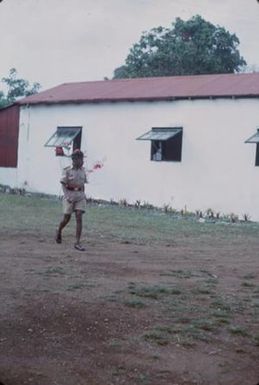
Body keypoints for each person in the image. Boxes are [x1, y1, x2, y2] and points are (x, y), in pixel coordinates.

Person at [55, 149, 88, 251]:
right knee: (66, 218)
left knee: (79, 216)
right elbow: (63, 185)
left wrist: (83, 194)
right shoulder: (67, 170)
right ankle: (59, 230)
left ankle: (77, 242)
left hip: (80, 197)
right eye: (80, 159)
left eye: (82, 159)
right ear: (74, 160)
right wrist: (67, 196)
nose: (82, 161)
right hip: (69, 196)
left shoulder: (83, 170)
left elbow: (83, 184)